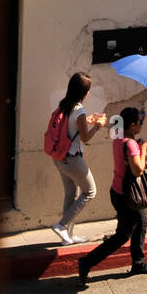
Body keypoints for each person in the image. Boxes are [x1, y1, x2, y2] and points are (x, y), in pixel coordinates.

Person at [77, 106, 147, 285]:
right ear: (133, 126)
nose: (141, 125)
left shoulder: (119, 138)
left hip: (118, 191)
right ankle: (87, 262)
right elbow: (138, 170)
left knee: (141, 221)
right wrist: (143, 149)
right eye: (140, 123)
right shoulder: (131, 145)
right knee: (122, 235)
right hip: (127, 196)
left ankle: (138, 262)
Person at [50, 72, 107, 246]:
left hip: (58, 157)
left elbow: (71, 126)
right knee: (90, 192)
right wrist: (98, 126)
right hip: (73, 159)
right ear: (84, 92)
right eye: (88, 89)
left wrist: (87, 120)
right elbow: (86, 138)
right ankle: (61, 225)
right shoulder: (79, 110)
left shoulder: (64, 105)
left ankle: (67, 235)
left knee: (70, 193)